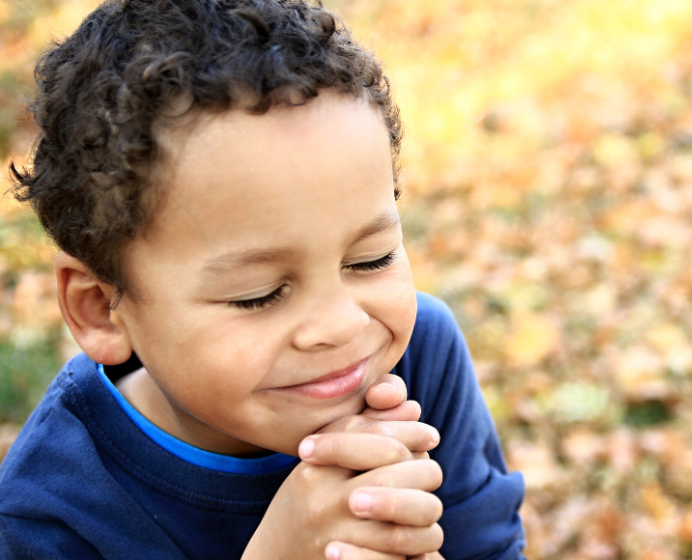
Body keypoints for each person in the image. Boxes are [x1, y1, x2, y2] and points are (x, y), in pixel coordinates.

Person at [0, 1, 525, 559]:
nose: (341, 325)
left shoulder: (421, 359)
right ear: (101, 309)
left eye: (370, 259)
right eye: (260, 295)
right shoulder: (48, 521)